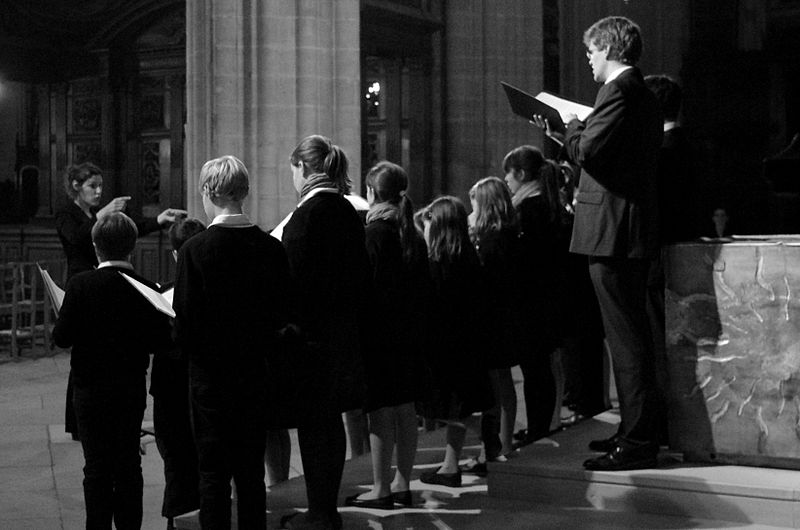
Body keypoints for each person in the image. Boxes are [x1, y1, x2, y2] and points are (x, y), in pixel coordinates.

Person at [533, 15, 663, 471]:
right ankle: (634, 429)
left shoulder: (620, 91)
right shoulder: (633, 93)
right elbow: (600, 151)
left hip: (614, 230)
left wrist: (570, 123)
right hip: (621, 228)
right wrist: (562, 133)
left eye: (591, 50)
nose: (588, 57)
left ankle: (640, 439)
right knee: (628, 336)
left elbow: (588, 152)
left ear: (609, 48)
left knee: (625, 339)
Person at [173, 155, 293, 529]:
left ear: (210, 192)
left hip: (210, 380)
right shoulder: (271, 248)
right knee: (250, 476)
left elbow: (185, 325)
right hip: (255, 376)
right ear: (244, 192)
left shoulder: (195, 250)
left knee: (212, 477)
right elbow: (281, 315)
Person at [52, 211, 174, 529]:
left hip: (89, 390)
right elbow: (160, 342)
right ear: (131, 247)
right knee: (128, 465)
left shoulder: (80, 284)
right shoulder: (146, 288)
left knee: (96, 467)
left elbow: (62, 338)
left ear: (95, 246)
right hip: (129, 389)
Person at [55, 162, 185, 440]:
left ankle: (99, 417)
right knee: (85, 352)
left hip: (107, 281)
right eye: (93, 186)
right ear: (76, 186)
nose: (99, 191)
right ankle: (79, 421)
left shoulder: (93, 214)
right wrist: (102, 215)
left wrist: (157, 221)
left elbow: (125, 230)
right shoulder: (67, 213)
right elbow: (77, 239)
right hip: (83, 283)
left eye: (101, 185)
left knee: (108, 345)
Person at [280, 135, 369, 530]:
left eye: (292, 169)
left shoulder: (307, 216)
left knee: (315, 430)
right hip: (343, 335)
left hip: (311, 342)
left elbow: (292, 282)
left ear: (302, 168)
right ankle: (326, 508)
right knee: (331, 426)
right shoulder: (347, 210)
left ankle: (319, 513)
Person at [344, 161, 430, 509]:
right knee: (406, 411)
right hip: (411, 335)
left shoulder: (373, 234)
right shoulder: (413, 234)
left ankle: (380, 487)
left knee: (380, 412)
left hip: (380, 337)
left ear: (370, 193)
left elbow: (365, 289)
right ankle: (402, 482)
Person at [415, 196, 493, 488]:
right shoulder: (468, 258)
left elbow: (431, 311)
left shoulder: (438, 265)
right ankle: (450, 465)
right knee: (460, 409)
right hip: (468, 348)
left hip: (445, 351)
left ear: (439, 226)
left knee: (450, 410)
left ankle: (493, 442)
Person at [501, 146, 565, 445]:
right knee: (539, 369)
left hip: (529, 302)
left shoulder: (528, 209)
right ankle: (542, 425)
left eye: (509, 174)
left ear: (522, 174)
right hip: (548, 299)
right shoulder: (550, 205)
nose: (506, 180)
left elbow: (521, 261)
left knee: (534, 370)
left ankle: (539, 428)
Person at [150, 217, 205, 530]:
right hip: (198, 385)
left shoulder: (163, 295)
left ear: (174, 255)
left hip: (170, 387)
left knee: (175, 459)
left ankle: (177, 520)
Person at [467, 176, 522, 464]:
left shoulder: (491, 242)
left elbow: (483, 284)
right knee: (503, 383)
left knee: (494, 388)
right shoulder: (510, 234)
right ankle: (505, 442)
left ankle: (493, 446)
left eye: (474, 202)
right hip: (506, 317)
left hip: (491, 320)